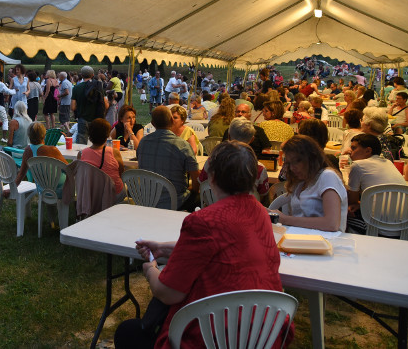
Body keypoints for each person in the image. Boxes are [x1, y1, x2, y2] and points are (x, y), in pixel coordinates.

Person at [115, 141, 291, 349]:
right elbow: (224, 250)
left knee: (128, 333)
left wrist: (150, 269)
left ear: (212, 178)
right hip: (261, 334)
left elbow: (169, 293)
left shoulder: (204, 221)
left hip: (213, 336)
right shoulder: (260, 213)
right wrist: (165, 248)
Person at [275, 135, 348, 232]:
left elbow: (332, 224)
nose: (292, 168)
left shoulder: (327, 176)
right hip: (303, 239)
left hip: (328, 242)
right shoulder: (301, 182)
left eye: (297, 161)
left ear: (311, 158)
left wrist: (285, 219)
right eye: (289, 163)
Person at [137, 106, 199, 210]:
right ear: (171, 120)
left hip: (146, 200)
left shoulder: (143, 143)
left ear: (152, 123)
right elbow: (196, 181)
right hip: (176, 202)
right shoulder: (182, 145)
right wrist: (193, 189)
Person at [345, 133, 407, 234]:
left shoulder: (357, 165)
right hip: (407, 224)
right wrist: (362, 205)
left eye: (353, 148)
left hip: (379, 226)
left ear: (368, 150)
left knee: (342, 215)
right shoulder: (388, 162)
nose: (349, 152)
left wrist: (358, 203)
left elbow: (352, 201)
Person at [14, 122, 68, 220]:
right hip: (61, 190)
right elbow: (68, 169)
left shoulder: (27, 151)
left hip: (43, 189)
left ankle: (52, 219)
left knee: (49, 181)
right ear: (44, 134)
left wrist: (12, 189)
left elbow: (21, 173)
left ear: (29, 135)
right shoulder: (52, 150)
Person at [80, 118, 126, 202]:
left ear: (90, 134)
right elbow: (121, 172)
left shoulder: (82, 154)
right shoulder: (114, 152)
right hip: (114, 193)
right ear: (107, 136)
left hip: (92, 194)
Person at [71, 66, 105, 145]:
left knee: (81, 142)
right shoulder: (98, 87)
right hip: (97, 118)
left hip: (83, 118)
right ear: (93, 75)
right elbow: (104, 103)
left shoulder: (76, 88)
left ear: (81, 75)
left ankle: (82, 157)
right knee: (97, 141)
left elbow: (72, 107)